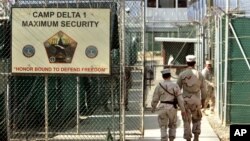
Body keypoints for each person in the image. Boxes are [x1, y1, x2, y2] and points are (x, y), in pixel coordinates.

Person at [176, 55, 207, 141]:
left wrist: (177, 101)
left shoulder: (182, 74)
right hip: (196, 100)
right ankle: (196, 137)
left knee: (186, 120)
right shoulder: (200, 75)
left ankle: (188, 138)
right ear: (195, 63)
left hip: (185, 100)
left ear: (186, 63)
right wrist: (203, 100)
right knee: (197, 118)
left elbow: (177, 89)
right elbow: (204, 89)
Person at [151, 68, 187, 141]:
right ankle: (171, 139)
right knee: (172, 125)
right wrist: (183, 110)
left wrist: (153, 107)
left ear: (163, 77)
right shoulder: (175, 86)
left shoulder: (159, 86)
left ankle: (164, 139)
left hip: (162, 107)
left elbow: (155, 99)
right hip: (172, 108)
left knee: (163, 126)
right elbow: (180, 99)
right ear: (170, 76)